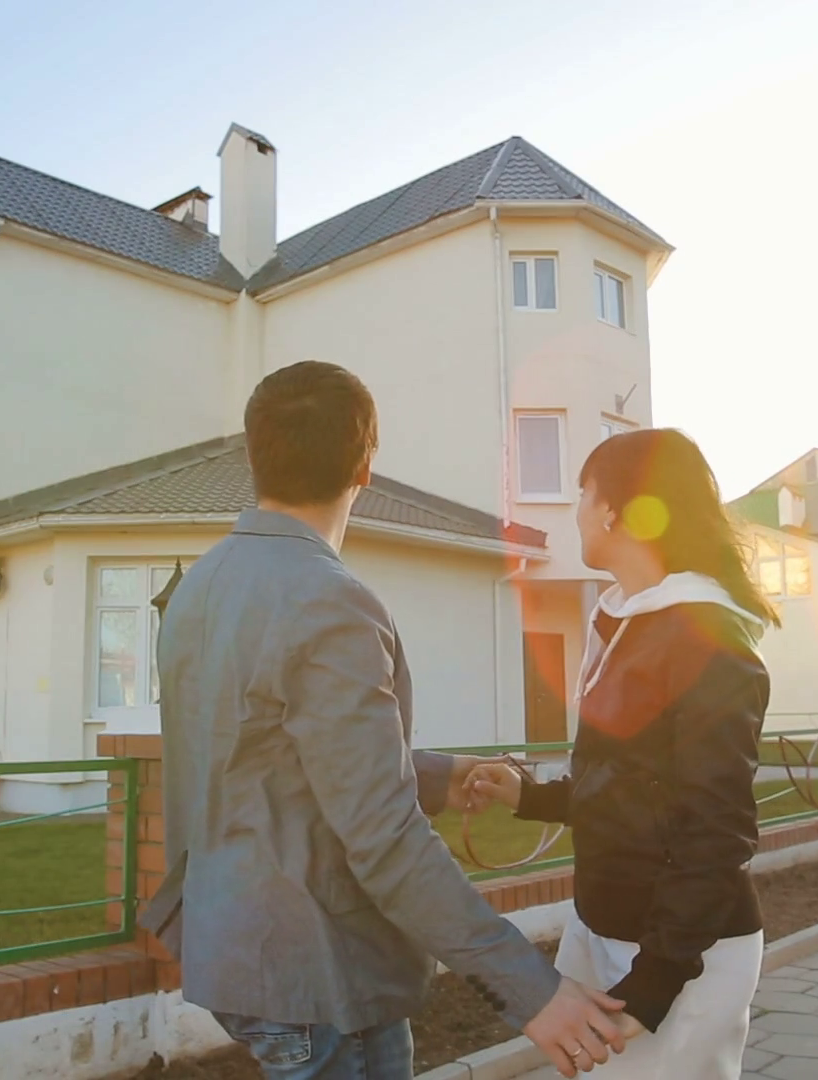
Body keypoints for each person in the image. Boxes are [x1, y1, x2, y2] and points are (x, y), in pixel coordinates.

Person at [140, 361, 632, 1080]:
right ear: (365, 465)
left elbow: (260, 756)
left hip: (233, 954)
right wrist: (533, 991)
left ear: (254, 457)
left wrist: (438, 775)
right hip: (321, 972)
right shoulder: (327, 601)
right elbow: (383, 837)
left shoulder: (200, 587)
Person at [467, 428, 776, 1079]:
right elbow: (628, 782)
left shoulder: (706, 640)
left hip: (679, 952)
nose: (576, 511)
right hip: (604, 927)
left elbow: (716, 830)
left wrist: (656, 981)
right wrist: (529, 796)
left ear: (612, 510)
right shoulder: (628, 622)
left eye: (582, 493)